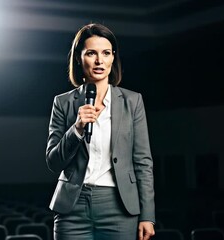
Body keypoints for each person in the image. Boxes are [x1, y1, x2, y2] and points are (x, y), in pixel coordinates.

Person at [45, 23, 155, 240]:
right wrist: (76, 129)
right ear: (79, 58)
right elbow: (53, 162)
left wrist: (147, 215)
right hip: (72, 208)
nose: (99, 61)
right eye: (91, 53)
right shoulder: (63, 102)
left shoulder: (132, 101)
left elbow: (143, 161)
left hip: (119, 205)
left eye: (106, 53)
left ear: (113, 58)